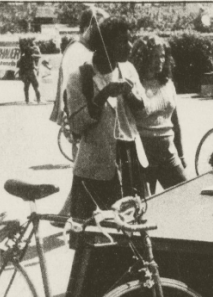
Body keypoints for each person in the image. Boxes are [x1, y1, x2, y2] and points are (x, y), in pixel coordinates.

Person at [66, 16, 147, 219]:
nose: (129, 46)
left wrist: (130, 94)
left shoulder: (128, 69)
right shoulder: (80, 76)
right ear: (103, 44)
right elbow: (76, 126)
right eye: (121, 41)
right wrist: (102, 96)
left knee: (131, 227)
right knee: (92, 233)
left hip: (128, 158)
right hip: (94, 169)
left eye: (129, 40)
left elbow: (144, 112)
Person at [130, 35, 188, 192]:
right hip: (143, 155)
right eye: (155, 56)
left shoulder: (167, 83)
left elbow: (175, 121)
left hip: (168, 153)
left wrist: (181, 155)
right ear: (143, 57)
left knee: (185, 194)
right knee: (146, 206)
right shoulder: (135, 84)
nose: (160, 60)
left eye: (162, 55)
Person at [50, 6, 107, 126]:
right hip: (82, 118)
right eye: (101, 28)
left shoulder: (85, 48)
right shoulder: (77, 51)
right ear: (88, 27)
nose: (104, 33)